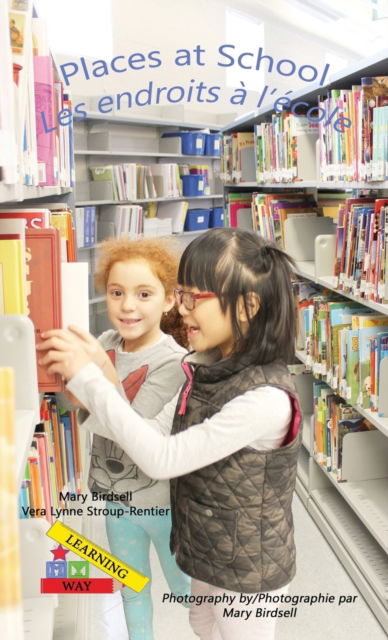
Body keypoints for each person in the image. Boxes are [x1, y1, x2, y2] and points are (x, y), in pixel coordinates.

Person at [38, 228, 302, 640]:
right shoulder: (205, 368)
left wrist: (91, 380)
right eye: (182, 295)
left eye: (194, 299)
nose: (182, 311)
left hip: (248, 571)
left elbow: (162, 457)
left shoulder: (266, 400)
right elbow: (147, 429)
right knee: (199, 623)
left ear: (248, 306)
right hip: (206, 548)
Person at [62, 237, 191, 640]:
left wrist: (94, 376)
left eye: (144, 294)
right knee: (132, 588)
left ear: (170, 300)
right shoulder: (103, 343)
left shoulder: (174, 362)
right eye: (116, 293)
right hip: (117, 501)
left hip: (163, 506)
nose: (127, 306)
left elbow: (130, 427)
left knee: (188, 593)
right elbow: (77, 401)